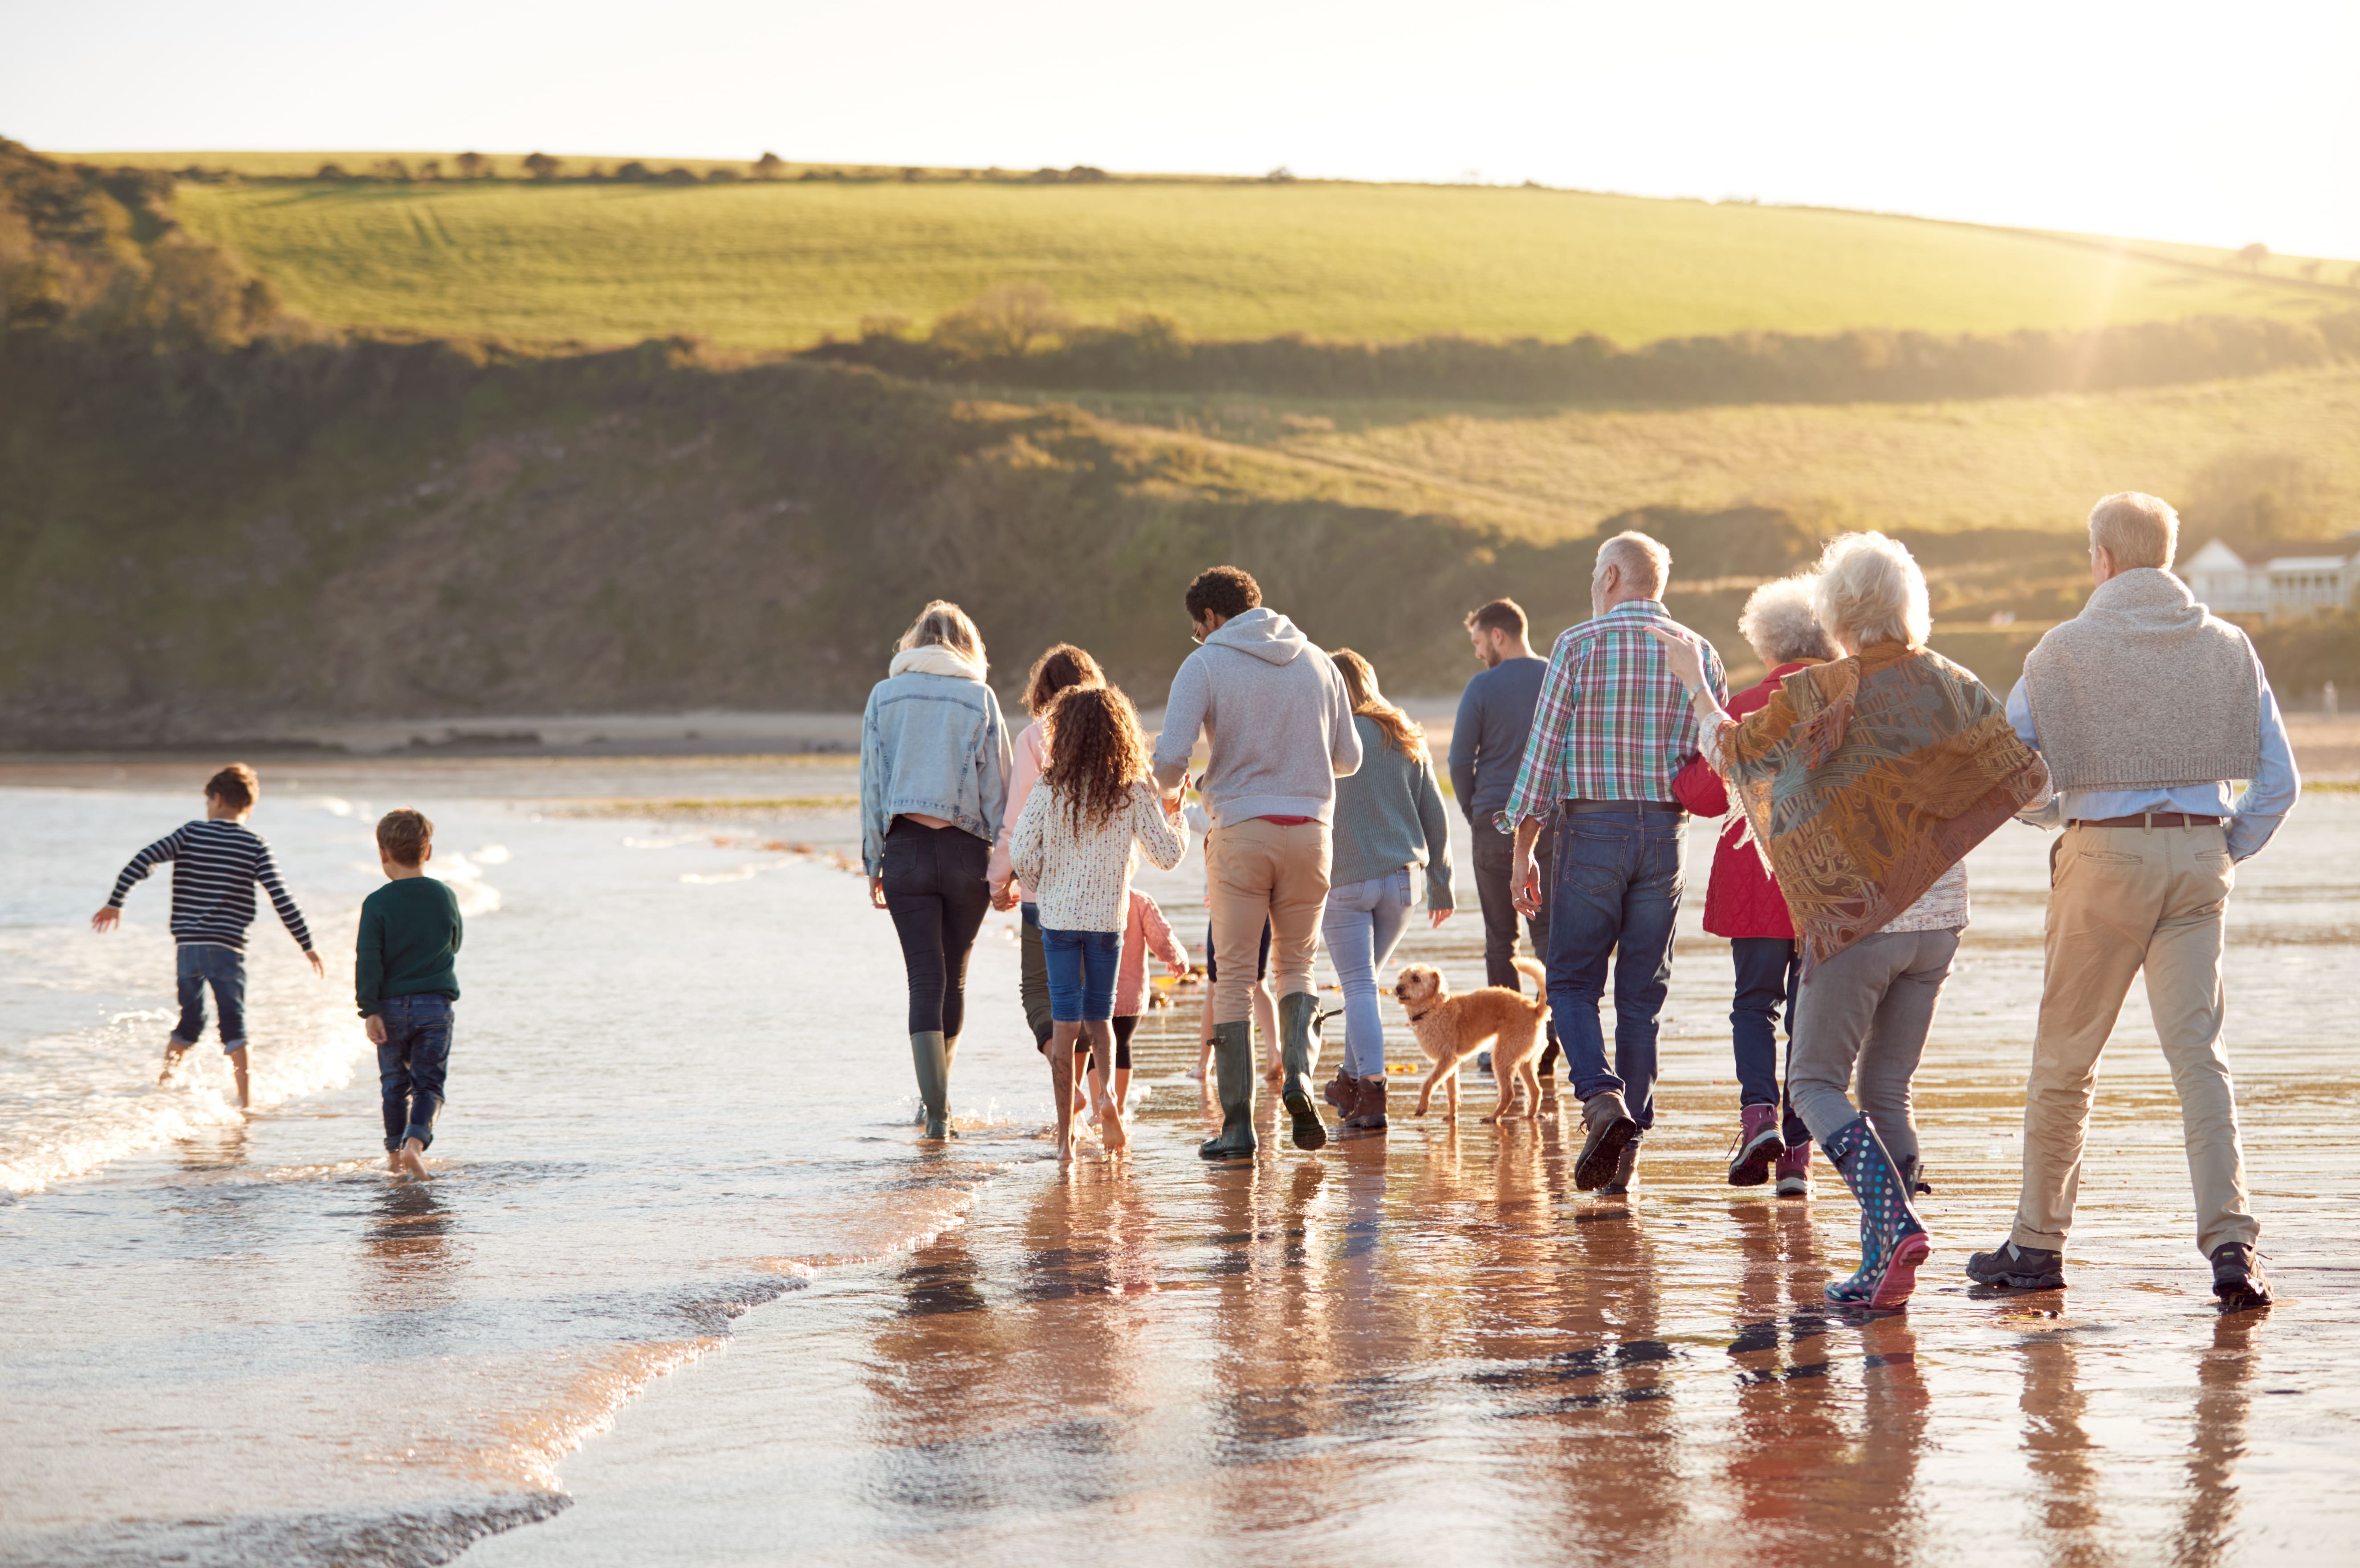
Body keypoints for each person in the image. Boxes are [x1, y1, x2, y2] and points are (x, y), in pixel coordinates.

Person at [1653, 531, 2048, 1308]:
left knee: (1813, 1084)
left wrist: (1698, 688)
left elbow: (1732, 754)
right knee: (1888, 1088)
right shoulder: (1956, 682)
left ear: (1836, 610)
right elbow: (2028, 782)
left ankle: (1892, 1226)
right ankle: (1885, 1266)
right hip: (1940, 919)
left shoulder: (1820, 691)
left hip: (1857, 921)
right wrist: (1938, 829)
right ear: (1910, 603)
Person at [1968, 492, 2297, 1310]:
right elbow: (2278, 783)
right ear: (2169, 554)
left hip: (2104, 859)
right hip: (2197, 856)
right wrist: (2223, 842)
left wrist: (2058, 811)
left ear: (2102, 559)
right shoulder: (2230, 644)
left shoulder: (2061, 649)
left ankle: (2037, 1246)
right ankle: (2231, 1244)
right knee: (2200, 1059)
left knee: (2067, 1058)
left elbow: (2013, 775)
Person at [1503, 532, 1725, 1195]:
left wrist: (1524, 851)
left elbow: (1542, 757)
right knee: (1641, 997)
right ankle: (1624, 1160)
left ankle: (1601, 1100)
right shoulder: (1699, 651)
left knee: (1571, 982)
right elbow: (1715, 753)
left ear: (1609, 576)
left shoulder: (1578, 643)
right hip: (1666, 834)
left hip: (1593, 827)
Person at [1152, 565, 1361, 1158]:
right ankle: (1296, 1076)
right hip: (1313, 832)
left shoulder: (1206, 663)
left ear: (1211, 618)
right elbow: (1349, 756)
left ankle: (1238, 1126)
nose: (1199, 638)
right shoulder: (1319, 661)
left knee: (1237, 980)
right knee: (1296, 968)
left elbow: (1171, 758)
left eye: (1199, 629)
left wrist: (1164, 789)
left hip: (1241, 832)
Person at [1669, 575, 1836, 1195]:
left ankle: (1758, 1116)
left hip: (1757, 879)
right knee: (1809, 1014)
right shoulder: (1845, 699)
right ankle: (1797, 1154)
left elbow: (1705, 797)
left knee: (1753, 1004)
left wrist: (1681, 768)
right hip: (1826, 879)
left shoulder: (1741, 707)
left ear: (1766, 644)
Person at [1009, 684, 1190, 1164]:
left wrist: (1043, 884)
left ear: (1063, 734)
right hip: (1108, 922)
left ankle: (1065, 1141)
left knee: (1065, 1025)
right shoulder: (1130, 789)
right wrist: (1178, 816)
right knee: (1102, 1019)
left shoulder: (1051, 787)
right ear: (1119, 734)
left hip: (1059, 922)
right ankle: (1108, 1098)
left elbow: (1021, 851)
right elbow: (1167, 855)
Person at [860, 601, 1013, 1142]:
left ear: (914, 642)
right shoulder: (979, 697)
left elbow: (872, 786)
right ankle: (940, 1103)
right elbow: (999, 788)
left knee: (924, 978)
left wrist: (871, 859)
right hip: (966, 852)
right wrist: (1004, 864)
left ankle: (936, 1114)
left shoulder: (885, 696)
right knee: (956, 975)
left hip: (904, 850)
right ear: (966, 644)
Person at [90, 763, 324, 1109]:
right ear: (248, 804)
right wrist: (307, 945)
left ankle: (163, 1087)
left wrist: (115, 903)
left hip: (188, 948)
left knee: (191, 1020)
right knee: (233, 1021)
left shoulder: (190, 834)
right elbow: (281, 897)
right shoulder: (255, 844)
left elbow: (142, 860)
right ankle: (244, 1101)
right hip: (227, 948)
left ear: (216, 799)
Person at [1320, 649, 1453, 1133]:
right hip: (1403, 883)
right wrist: (1442, 883)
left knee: (1358, 986)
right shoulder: (1403, 733)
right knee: (1364, 985)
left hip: (1345, 881)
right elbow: (1434, 815)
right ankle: (1348, 1081)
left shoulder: (1324, 737)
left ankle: (1371, 1093)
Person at [1449, 598, 1559, 1075]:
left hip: (1495, 823)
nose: (1477, 653)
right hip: (1554, 822)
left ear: (1498, 636)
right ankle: (1556, 1037)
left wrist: (1476, 811)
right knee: (1550, 936)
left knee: (1501, 939)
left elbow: (1457, 762)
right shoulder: (1555, 676)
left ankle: (1506, 1046)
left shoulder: (1482, 687)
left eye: (1478, 641)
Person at [989, 644, 1106, 1061]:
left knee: (1041, 992)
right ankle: (1089, 1104)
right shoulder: (1116, 735)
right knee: (1092, 999)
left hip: (1046, 893)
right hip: (1103, 895)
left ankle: (1064, 1080)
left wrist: (999, 878)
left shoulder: (1035, 737)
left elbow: (1017, 820)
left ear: (1044, 691)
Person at [358, 808, 463, 1179]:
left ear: (383, 853)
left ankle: (393, 1158)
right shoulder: (444, 895)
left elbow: (368, 959)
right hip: (435, 1006)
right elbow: (455, 942)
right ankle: (415, 1146)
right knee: (428, 1085)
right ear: (428, 852)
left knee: (393, 1086)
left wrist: (369, 1008)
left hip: (389, 1009)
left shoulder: (377, 902)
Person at [1085, 888, 1188, 1128]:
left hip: (1093, 988)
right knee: (1122, 1045)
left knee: (1096, 1046)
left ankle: (1099, 1111)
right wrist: (1178, 959)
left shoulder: (1088, 895)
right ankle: (1118, 1110)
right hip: (1130, 994)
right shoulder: (1139, 901)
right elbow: (1162, 937)